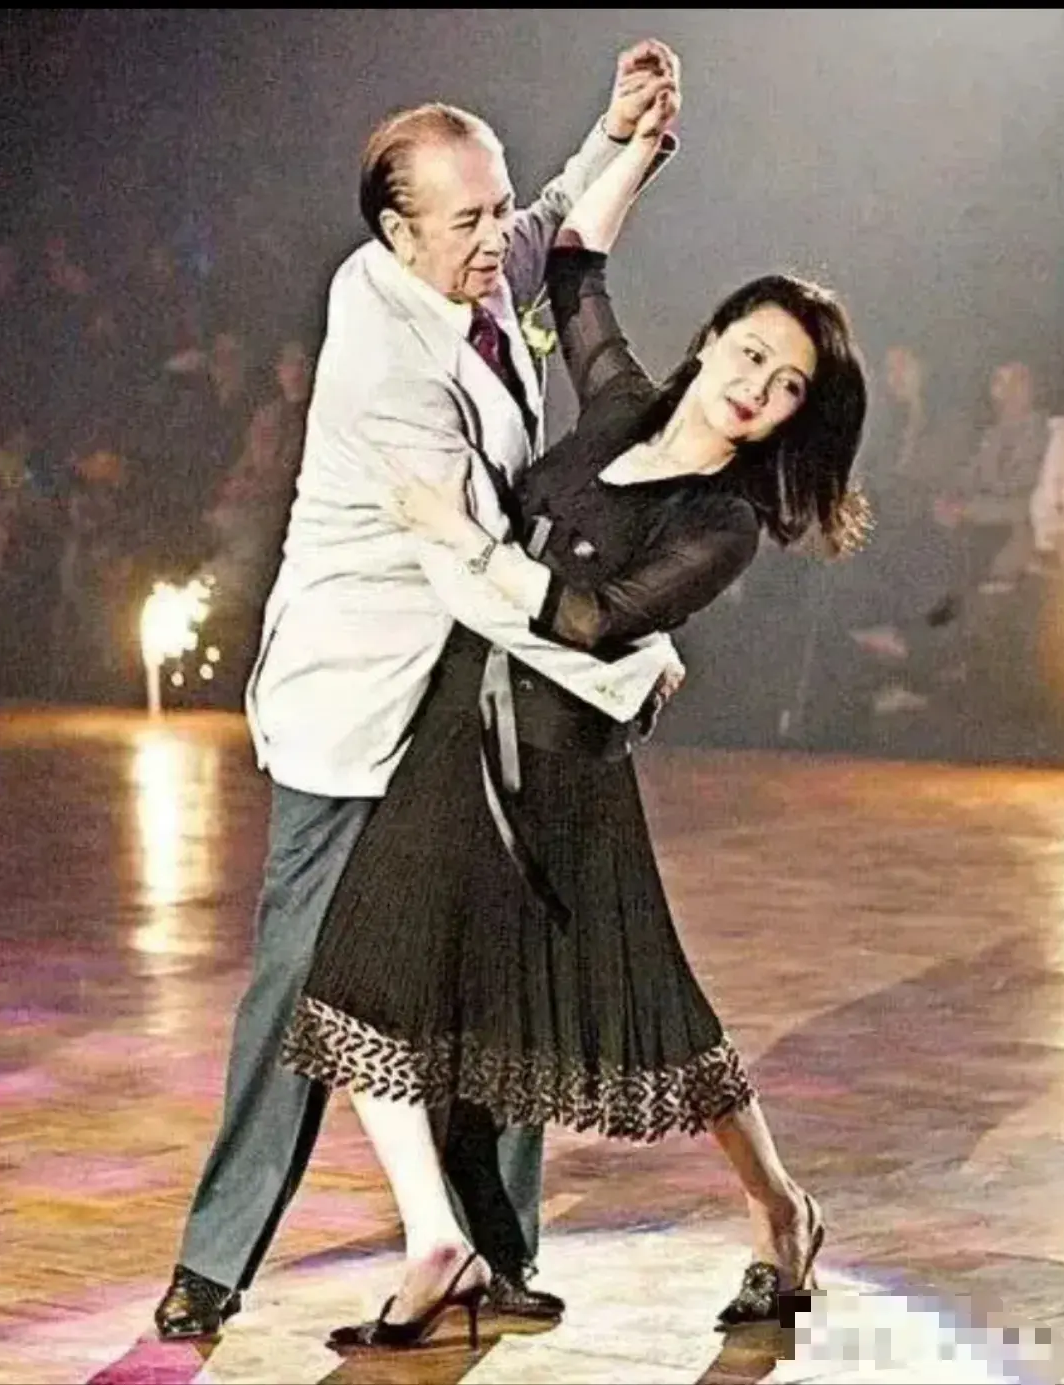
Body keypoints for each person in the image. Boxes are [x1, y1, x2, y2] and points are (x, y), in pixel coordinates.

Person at [281, 93, 869, 1347]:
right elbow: (574, 267)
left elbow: (596, 620)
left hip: (564, 778)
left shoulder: (720, 522)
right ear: (709, 341)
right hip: (454, 733)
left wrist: (463, 542)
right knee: (359, 985)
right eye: (747, 353)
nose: (755, 386)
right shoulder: (615, 404)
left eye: (785, 385)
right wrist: (634, 147)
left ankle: (782, 1209)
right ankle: (435, 1241)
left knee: (657, 1023)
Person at [154, 41, 683, 1342]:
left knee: (493, 963)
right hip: (358, 702)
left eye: (494, 207)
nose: (495, 238)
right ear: (396, 235)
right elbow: (468, 571)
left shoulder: (466, 263)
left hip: (460, 690)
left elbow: (546, 226)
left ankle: (493, 1251)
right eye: (466, 221)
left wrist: (620, 134)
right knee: (305, 981)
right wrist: (615, 659)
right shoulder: (385, 358)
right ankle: (214, 1260)